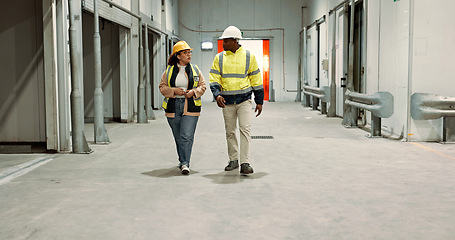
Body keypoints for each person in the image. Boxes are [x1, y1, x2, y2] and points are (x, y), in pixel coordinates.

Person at [209, 26, 264, 175]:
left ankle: (245, 163)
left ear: (234, 41)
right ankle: (233, 160)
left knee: (245, 130)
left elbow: (256, 79)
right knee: (230, 131)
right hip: (226, 101)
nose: (223, 43)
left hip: (244, 100)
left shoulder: (248, 57)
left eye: (225, 41)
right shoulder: (219, 58)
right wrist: (217, 95)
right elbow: (214, 78)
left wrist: (259, 101)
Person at [160, 41, 206, 175]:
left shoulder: (195, 69)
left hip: (190, 106)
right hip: (173, 107)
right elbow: (162, 87)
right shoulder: (168, 71)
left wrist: (193, 92)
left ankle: (185, 164)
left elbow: (202, 86)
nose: (189, 55)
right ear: (178, 56)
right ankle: (182, 160)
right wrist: (173, 91)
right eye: (185, 53)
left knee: (186, 135)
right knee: (178, 137)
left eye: (189, 52)